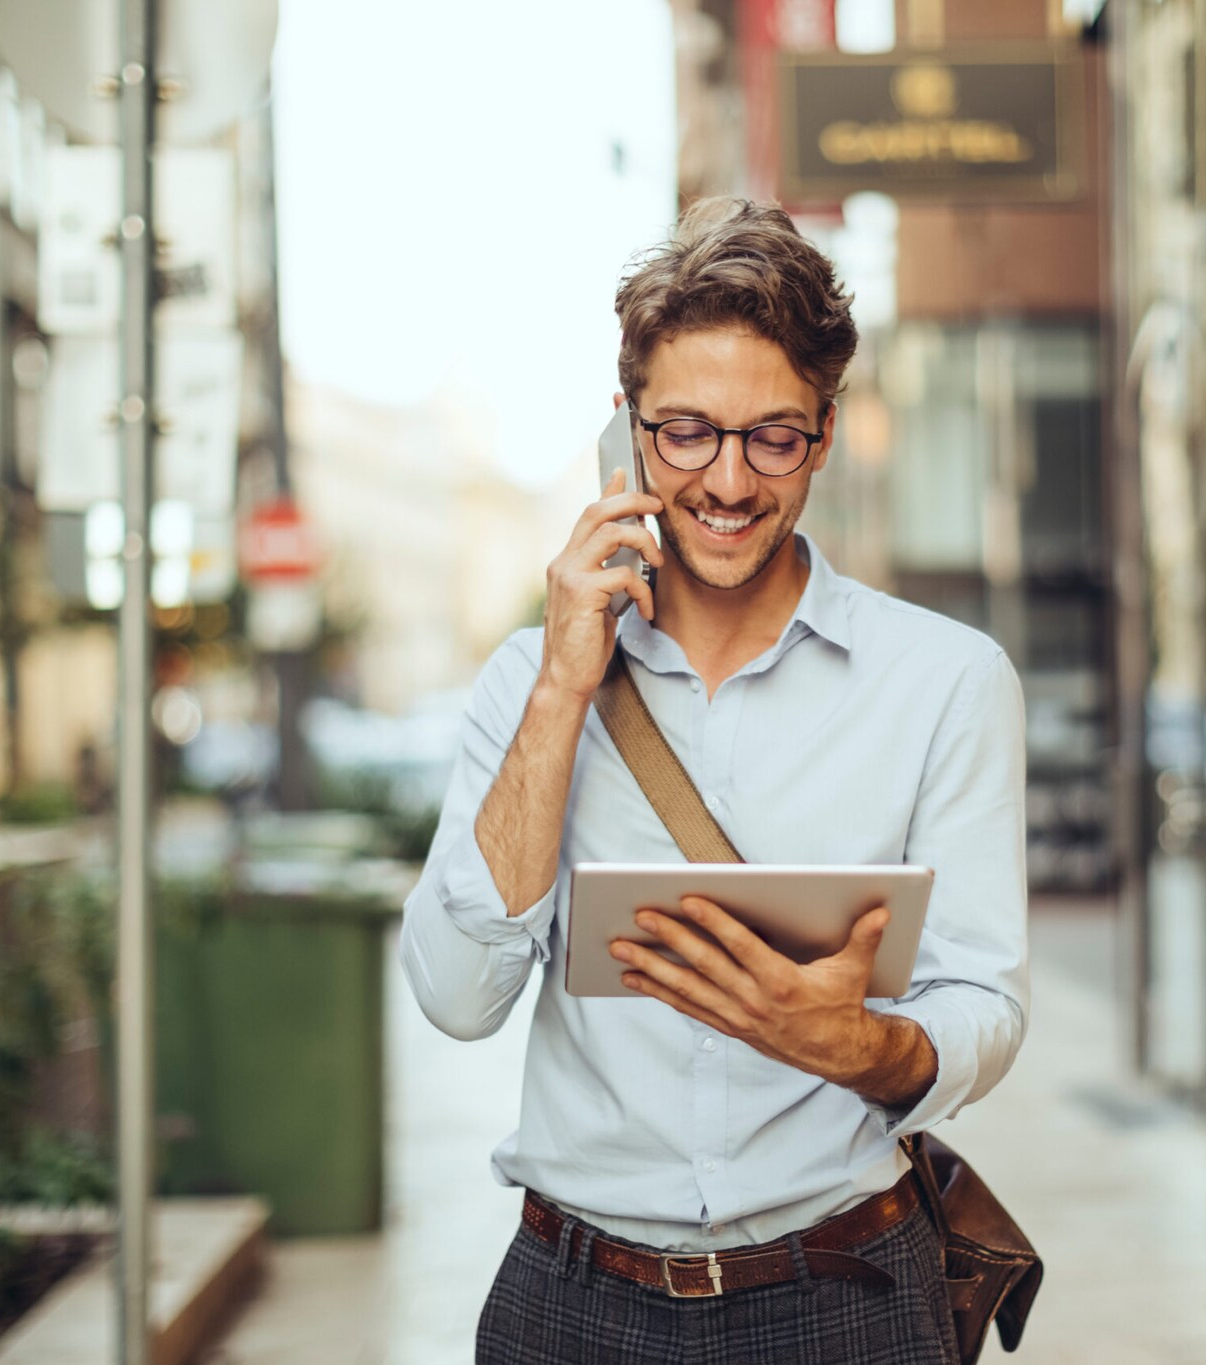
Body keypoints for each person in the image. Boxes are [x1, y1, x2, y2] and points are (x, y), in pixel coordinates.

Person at [399, 198, 1029, 1365]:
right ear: (626, 430)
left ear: (824, 435)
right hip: (572, 1302)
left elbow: (982, 1002)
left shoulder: (946, 681)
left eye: (771, 437)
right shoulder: (528, 684)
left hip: (844, 1294)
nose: (727, 481)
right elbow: (456, 996)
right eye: (685, 431)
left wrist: (858, 1046)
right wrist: (562, 691)